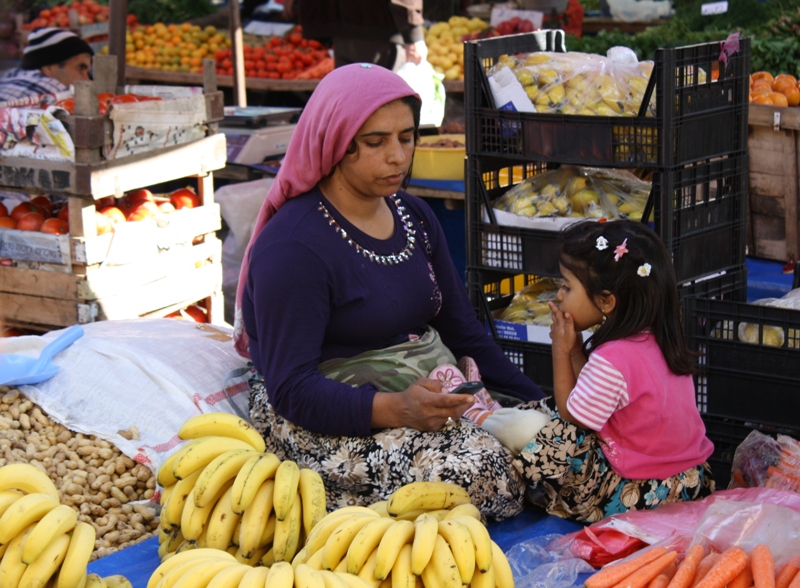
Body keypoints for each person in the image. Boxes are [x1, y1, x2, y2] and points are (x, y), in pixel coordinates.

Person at [234, 63, 546, 520]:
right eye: (376, 142)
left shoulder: (414, 216)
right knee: (486, 472)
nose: (398, 156)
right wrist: (397, 409)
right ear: (335, 144)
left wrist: (539, 401)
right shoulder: (293, 247)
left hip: (421, 390)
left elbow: (461, 328)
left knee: (547, 446)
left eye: (406, 137)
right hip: (327, 410)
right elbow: (293, 389)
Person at [479, 220, 715, 523]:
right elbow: (586, 396)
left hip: (632, 494)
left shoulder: (614, 358)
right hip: (689, 484)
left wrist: (562, 350)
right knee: (548, 409)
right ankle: (491, 412)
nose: (560, 295)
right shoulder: (658, 339)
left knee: (536, 428)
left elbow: (572, 417)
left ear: (606, 300)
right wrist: (577, 351)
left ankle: (481, 415)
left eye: (567, 285)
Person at [284, 0, 425, 71]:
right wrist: (413, 35)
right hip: (378, 33)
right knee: (380, 111)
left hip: (343, 28)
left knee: (353, 112)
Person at [0, 27, 93, 104]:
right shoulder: (52, 89)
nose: (86, 79)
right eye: (81, 68)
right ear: (49, 67)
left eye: (88, 72)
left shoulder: (8, 76)